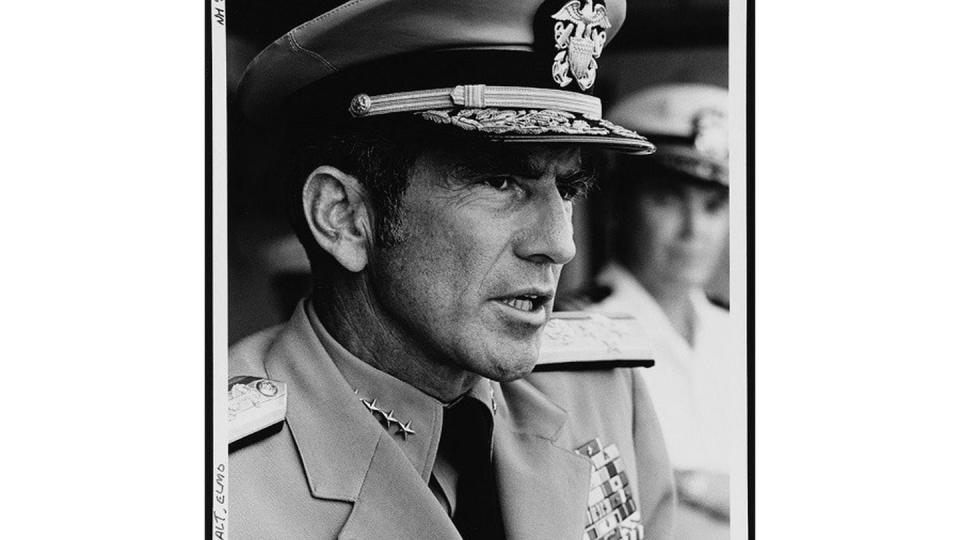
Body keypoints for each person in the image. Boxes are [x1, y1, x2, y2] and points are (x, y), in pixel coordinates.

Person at [227, 1, 676, 539]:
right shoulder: (225, 472)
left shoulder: (600, 393)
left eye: (568, 188)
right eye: (500, 183)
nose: (560, 246)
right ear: (344, 218)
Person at [588, 83, 735, 539]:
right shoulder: (583, 334)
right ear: (619, 206)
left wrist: (683, 484)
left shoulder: (739, 334)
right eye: (668, 200)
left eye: (712, 206)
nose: (693, 230)